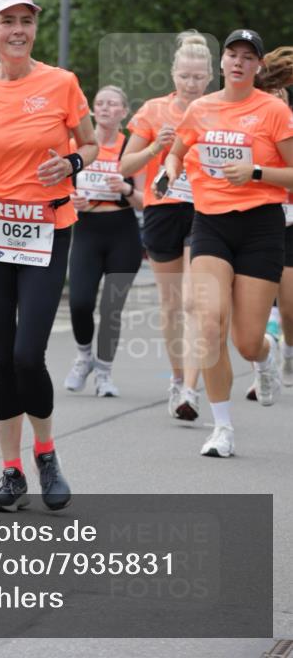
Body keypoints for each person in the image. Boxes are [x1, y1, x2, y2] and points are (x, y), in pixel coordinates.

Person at [0, 0, 97, 512]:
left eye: (25, 21)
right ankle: (10, 471)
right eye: (6, 21)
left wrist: (72, 165)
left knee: (29, 354)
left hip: (46, 226)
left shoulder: (61, 83)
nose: (17, 30)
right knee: (4, 357)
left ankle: (47, 454)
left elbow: (92, 142)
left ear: (34, 29)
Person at [160, 30, 293, 457]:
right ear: (221, 63)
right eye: (232, 55)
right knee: (209, 323)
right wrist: (170, 169)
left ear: (257, 66)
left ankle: (266, 356)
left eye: (247, 57)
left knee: (247, 340)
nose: (238, 62)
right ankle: (222, 429)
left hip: (261, 228)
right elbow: (178, 151)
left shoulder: (273, 111)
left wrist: (255, 173)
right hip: (211, 225)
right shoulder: (200, 109)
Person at [121, 31, 213, 421]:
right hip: (162, 209)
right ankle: (177, 379)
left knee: (194, 302)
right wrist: (156, 147)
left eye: (198, 77)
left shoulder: (218, 109)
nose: (191, 84)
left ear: (210, 77)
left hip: (204, 208)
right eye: (184, 77)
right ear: (173, 74)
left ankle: (191, 390)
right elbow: (125, 167)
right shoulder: (153, 110)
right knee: (172, 303)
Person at [64, 85, 144, 398]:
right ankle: (84, 356)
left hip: (122, 233)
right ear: (92, 111)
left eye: (112, 104)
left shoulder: (130, 148)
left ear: (124, 112)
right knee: (80, 303)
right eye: (99, 103)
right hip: (86, 230)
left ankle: (105, 374)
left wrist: (124, 190)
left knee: (111, 308)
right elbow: (58, 190)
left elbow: (144, 200)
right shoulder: (78, 145)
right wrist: (72, 201)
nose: (105, 108)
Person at [244, 54, 293, 397]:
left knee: (289, 305)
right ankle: (263, 367)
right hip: (260, 218)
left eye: (280, 96)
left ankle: (287, 353)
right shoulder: (252, 126)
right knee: (255, 307)